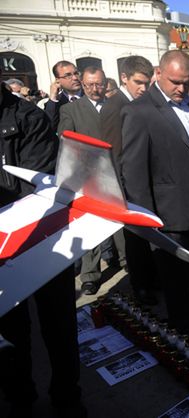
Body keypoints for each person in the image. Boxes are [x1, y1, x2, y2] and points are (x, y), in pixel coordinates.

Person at [0, 80, 86, 418]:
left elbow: (34, 184)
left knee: (59, 325)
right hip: (3, 250)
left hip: (44, 240)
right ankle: (20, 398)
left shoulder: (27, 117)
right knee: (10, 330)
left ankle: (67, 396)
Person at [121, 50, 189, 334]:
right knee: (175, 280)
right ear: (158, 74)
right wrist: (148, 221)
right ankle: (186, 330)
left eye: (186, 82)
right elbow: (134, 174)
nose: (180, 88)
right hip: (166, 215)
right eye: (174, 82)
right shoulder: (139, 111)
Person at [100, 55, 156, 306]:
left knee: (146, 238)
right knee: (135, 240)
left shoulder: (137, 102)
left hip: (143, 182)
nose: (143, 88)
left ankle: (150, 281)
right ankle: (141, 287)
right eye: (138, 82)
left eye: (147, 83)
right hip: (127, 187)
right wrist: (122, 193)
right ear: (124, 78)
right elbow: (113, 153)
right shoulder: (115, 106)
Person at [58, 66, 116, 296]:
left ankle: (124, 262)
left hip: (116, 174)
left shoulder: (116, 107)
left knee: (120, 226)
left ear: (105, 83)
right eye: (90, 84)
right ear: (82, 84)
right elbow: (67, 141)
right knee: (90, 226)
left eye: (99, 84)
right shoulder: (71, 110)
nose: (95, 89)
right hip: (88, 176)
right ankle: (90, 275)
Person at [44, 60, 83, 132]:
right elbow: (50, 126)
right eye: (68, 75)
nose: (75, 78)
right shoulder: (56, 103)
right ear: (57, 80)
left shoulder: (91, 95)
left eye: (76, 73)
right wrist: (52, 97)